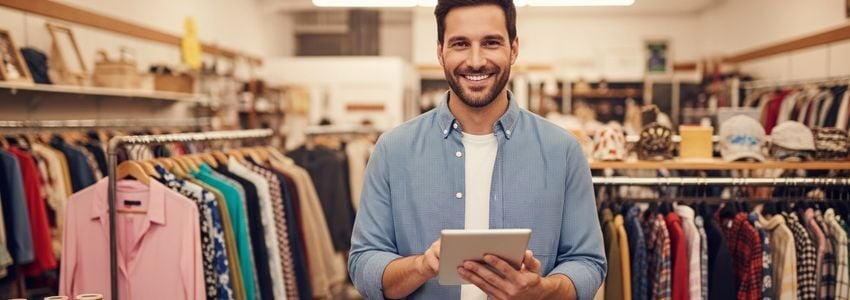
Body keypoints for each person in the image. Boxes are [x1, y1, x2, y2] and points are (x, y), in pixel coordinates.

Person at [348, 0, 606, 299]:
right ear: (439, 51)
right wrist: (422, 266)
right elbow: (364, 263)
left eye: (491, 42)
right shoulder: (392, 151)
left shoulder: (563, 151)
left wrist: (543, 291)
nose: (475, 60)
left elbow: (588, 263)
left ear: (514, 48)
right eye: (460, 44)